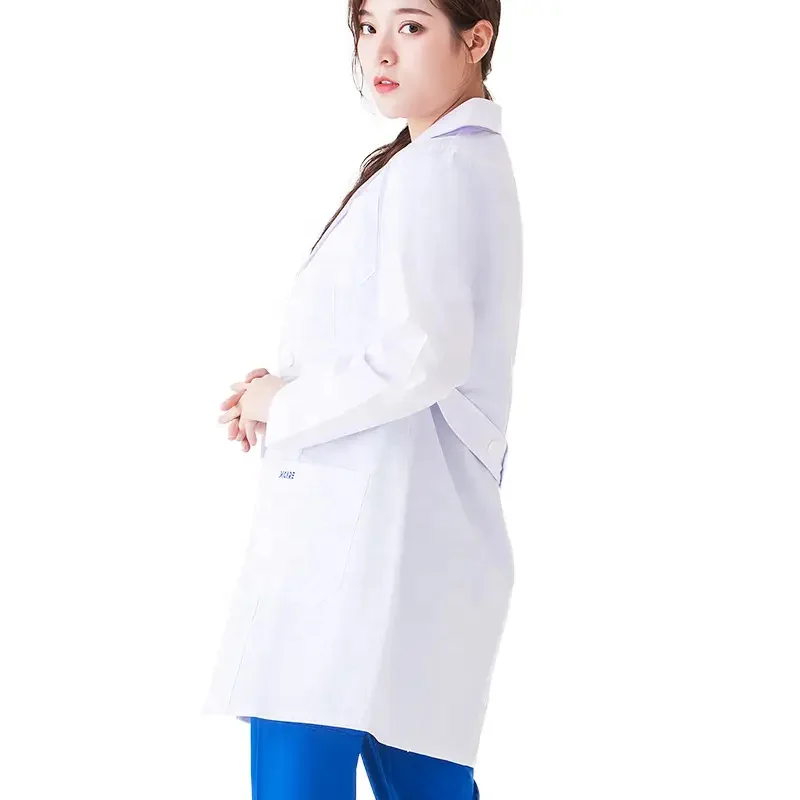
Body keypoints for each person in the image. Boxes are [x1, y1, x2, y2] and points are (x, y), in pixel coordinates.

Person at [203, 1, 523, 797]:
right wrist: (280, 390)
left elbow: (424, 356)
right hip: (391, 538)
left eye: (410, 26)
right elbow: (399, 346)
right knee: (422, 776)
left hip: (365, 546)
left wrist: (285, 403)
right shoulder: (437, 164)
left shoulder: (440, 170)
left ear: (475, 38)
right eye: (367, 26)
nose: (379, 51)